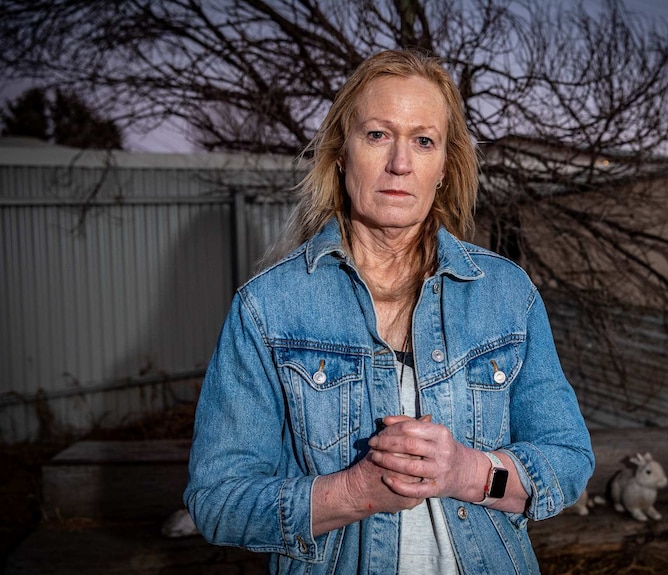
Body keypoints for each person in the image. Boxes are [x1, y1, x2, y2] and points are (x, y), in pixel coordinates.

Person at [184, 49, 594, 575]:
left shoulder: (507, 296)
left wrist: (467, 472)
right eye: (378, 135)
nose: (400, 163)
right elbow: (218, 501)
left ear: (445, 167)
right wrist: (354, 492)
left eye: (424, 141)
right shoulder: (267, 308)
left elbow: (569, 458)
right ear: (340, 152)